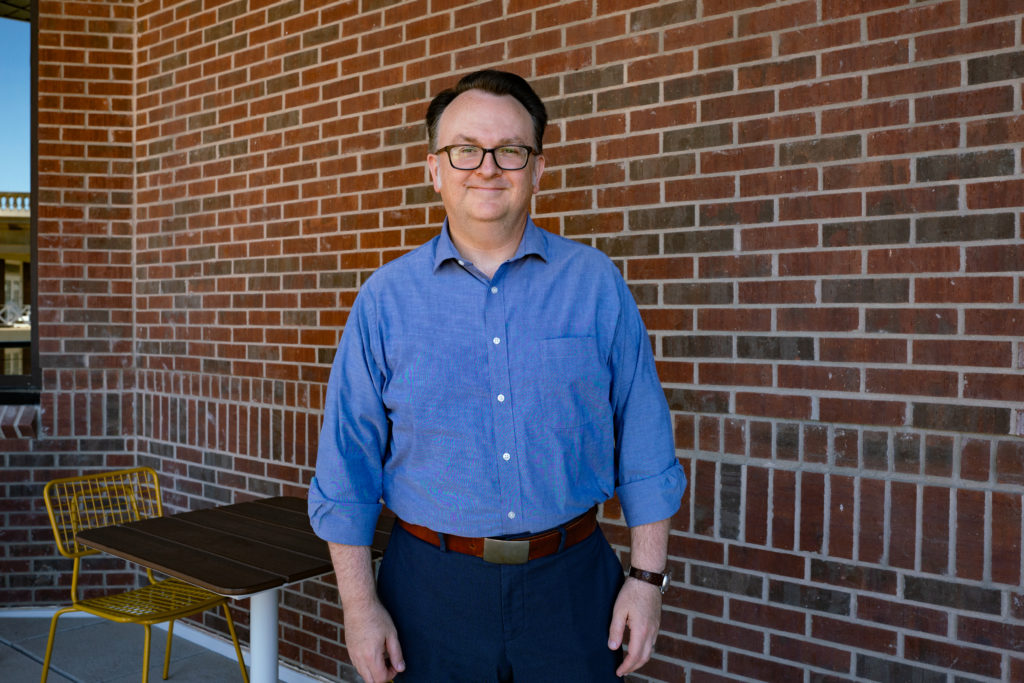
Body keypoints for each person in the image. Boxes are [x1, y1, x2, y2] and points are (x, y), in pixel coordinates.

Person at [309, 69, 686, 682]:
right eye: (465, 149)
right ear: (434, 168)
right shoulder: (384, 300)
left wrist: (647, 581)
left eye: (510, 150)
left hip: (571, 588)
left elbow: (645, 439)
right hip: (427, 593)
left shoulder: (594, 285)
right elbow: (346, 464)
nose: (487, 167)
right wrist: (358, 605)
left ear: (537, 168)